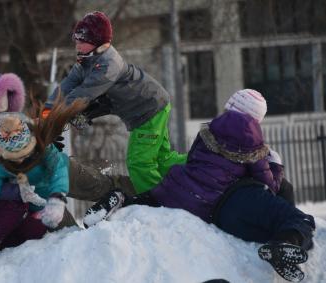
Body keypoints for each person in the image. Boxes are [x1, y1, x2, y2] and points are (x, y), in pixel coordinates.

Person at [85, 89, 315, 282]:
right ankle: (285, 243)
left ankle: (122, 198)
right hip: (218, 202)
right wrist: (274, 165)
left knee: (149, 199)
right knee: (301, 219)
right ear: (257, 118)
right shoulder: (253, 142)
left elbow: (192, 158)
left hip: (182, 184)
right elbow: (270, 184)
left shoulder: (212, 127)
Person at [0, 70, 133, 265]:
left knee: (58, 166)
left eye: (7, 100)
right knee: (35, 200)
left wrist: (42, 142)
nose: (4, 108)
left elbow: (32, 140)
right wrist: (24, 190)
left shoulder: (8, 122)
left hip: (10, 186)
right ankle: (73, 239)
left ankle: (122, 190)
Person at [43, 11, 186, 195]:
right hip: (148, 107)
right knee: (163, 160)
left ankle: (156, 202)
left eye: (81, 40)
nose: (76, 44)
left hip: (149, 109)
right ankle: (205, 161)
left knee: (139, 162)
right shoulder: (86, 61)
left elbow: (81, 95)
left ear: (97, 41)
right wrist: (46, 112)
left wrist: (56, 119)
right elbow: (65, 88)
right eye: (75, 39)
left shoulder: (108, 65)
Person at [0, 95, 86, 255]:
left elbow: (59, 168)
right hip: (33, 210)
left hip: (53, 197)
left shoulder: (41, 145)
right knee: (58, 243)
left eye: (24, 154)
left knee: (75, 237)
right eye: (14, 157)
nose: (21, 160)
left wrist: (57, 198)